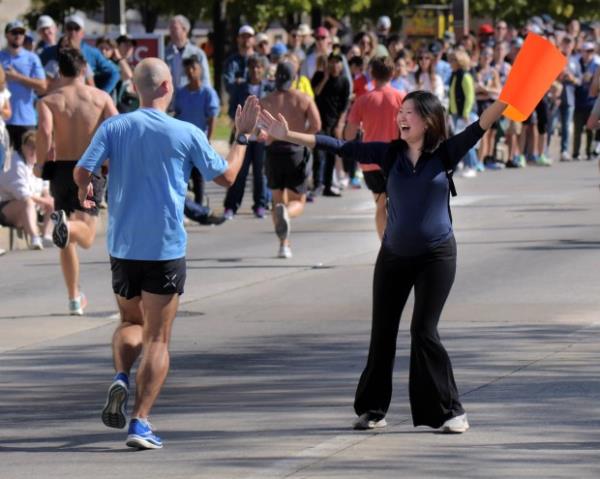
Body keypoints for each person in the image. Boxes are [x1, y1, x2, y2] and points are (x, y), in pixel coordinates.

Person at [260, 90, 508, 434]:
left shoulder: (445, 152)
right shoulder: (389, 153)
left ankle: (450, 411)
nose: (401, 118)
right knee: (382, 332)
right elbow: (337, 145)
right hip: (393, 256)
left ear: (429, 119)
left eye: (409, 113)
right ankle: (372, 409)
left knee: (423, 331)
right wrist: (287, 135)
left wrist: (509, 94)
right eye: (400, 112)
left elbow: (482, 123)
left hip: (436, 256)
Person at [73, 58, 259, 449]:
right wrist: (241, 139)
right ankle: (140, 422)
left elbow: (81, 172)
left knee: (129, 322)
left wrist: (90, 194)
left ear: (138, 88)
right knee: (157, 338)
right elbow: (225, 176)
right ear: (164, 87)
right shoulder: (184, 131)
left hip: (123, 246)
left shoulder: (115, 125)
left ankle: (121, 377)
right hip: (164, 247)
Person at [35, 49, 118, 315]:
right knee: (88, 235)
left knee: (67, 238)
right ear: (83, 70)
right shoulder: (100, 97)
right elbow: (117, 127)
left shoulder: (49, 101)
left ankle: (74, 298)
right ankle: (67, 226)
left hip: (61, 170)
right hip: (90, 168)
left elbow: (46, 132)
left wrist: (38, 163)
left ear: (60, 71)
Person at [260, 62, 321, 258]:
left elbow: (257, 128)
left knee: (277, 201)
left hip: (273, 150)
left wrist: (266, 135)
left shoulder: (267, 100)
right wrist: (301, 137)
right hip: (295, 150)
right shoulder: (303, 98)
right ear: (294, 78)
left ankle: (283, 245)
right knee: (298, 202)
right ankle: (287, 214)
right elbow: (316, 124)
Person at [344, 56, 405, 240]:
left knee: (380, 205)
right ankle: (398, 243)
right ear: (392, 73)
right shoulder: (401, 98)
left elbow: (348, 135)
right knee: (398, 204)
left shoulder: (362, 100)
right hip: (395, 159)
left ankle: (385, 246)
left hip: (370, 161)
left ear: (372, 74)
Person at [174, 55, 224, 225]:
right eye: (187, 69)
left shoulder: (207, 93)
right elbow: (177, 113)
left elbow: (212, 117)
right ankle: (186, 210)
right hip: (182, 142)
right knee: (181, 176)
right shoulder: (181, 93)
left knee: (198, 176)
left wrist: (208, 139)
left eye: (193, 68)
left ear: (200, 70)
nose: (190, 72)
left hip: (199, 140)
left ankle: (200, 208)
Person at [224, 54, 272, 219]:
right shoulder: (240, 88)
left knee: (260, 174)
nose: (255, 70)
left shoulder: (269, 88)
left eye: (259, 67)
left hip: (261, 138)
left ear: (263, 69)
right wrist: (242, 125)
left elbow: (274, 111)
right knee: (239, 173)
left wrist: (267, 130)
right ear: (248, 69)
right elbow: (231, 110)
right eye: (252, 67)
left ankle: (260, 205)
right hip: (244, 137)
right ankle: (231, 207)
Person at [0, 130, 54, 249]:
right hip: (6, 208)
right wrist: (45, 201)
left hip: (33, 207)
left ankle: (46, 236)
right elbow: (23, 195)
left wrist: (47, 198)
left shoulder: (40, 163)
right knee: (28, 202)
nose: (34, 151)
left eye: (37, 148)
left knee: (51, 200)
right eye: (31, 147)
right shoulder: (14, 162)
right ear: (23, 147)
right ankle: (35, 238)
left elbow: (45, 188)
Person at [40, 15, 119, 94]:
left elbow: (114, 73)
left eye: (76, 28)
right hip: (59, 99)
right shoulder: (49, 52)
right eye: (69, 28)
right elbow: (39, 78)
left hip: (83, 99)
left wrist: (103, 93)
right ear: (65, 31)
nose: (72, 31)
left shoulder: (92, 53)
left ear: (83, 33)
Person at [0, 21, 47, 154]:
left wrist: (17, 77)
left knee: (28, 163)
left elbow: (43, 86)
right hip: (3, 122)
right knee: (3, 167)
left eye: (21, 32)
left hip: (26, 120)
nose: (18, 35)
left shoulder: (32, 58)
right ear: (7, 35)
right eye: (15, 32)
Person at [312, 53, 350, 197]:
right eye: (331, 62)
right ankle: (317, 184)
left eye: (337, 63)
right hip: (319, 122)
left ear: (341, 65)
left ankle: (328, 186)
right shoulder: (318, 76)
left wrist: (340, 124)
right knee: (318, 154)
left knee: (331, 155)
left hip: (334, 122)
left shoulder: (344, 81)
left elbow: (345, 104)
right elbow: (315, 93)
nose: (334, 66)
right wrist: (325, 78)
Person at [448, 50, 480, 177]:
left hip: (464, 114)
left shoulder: (465, 76)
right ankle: (466, 164)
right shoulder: (454, 75)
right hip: (456, 114)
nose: (451, 63)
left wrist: (466, 112)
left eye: (453, 60)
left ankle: (472, 166)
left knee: (467, 141)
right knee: (461, 141)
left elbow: (470, 97)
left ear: (460, 61)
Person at [165, 15, 211, 89]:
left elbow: (205, 80)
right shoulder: (164, 53)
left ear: (185, 30)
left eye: (174, 28)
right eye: (170, 28)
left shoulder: (198, 54)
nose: (171, 31)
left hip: (190, 98)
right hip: (171, 99)